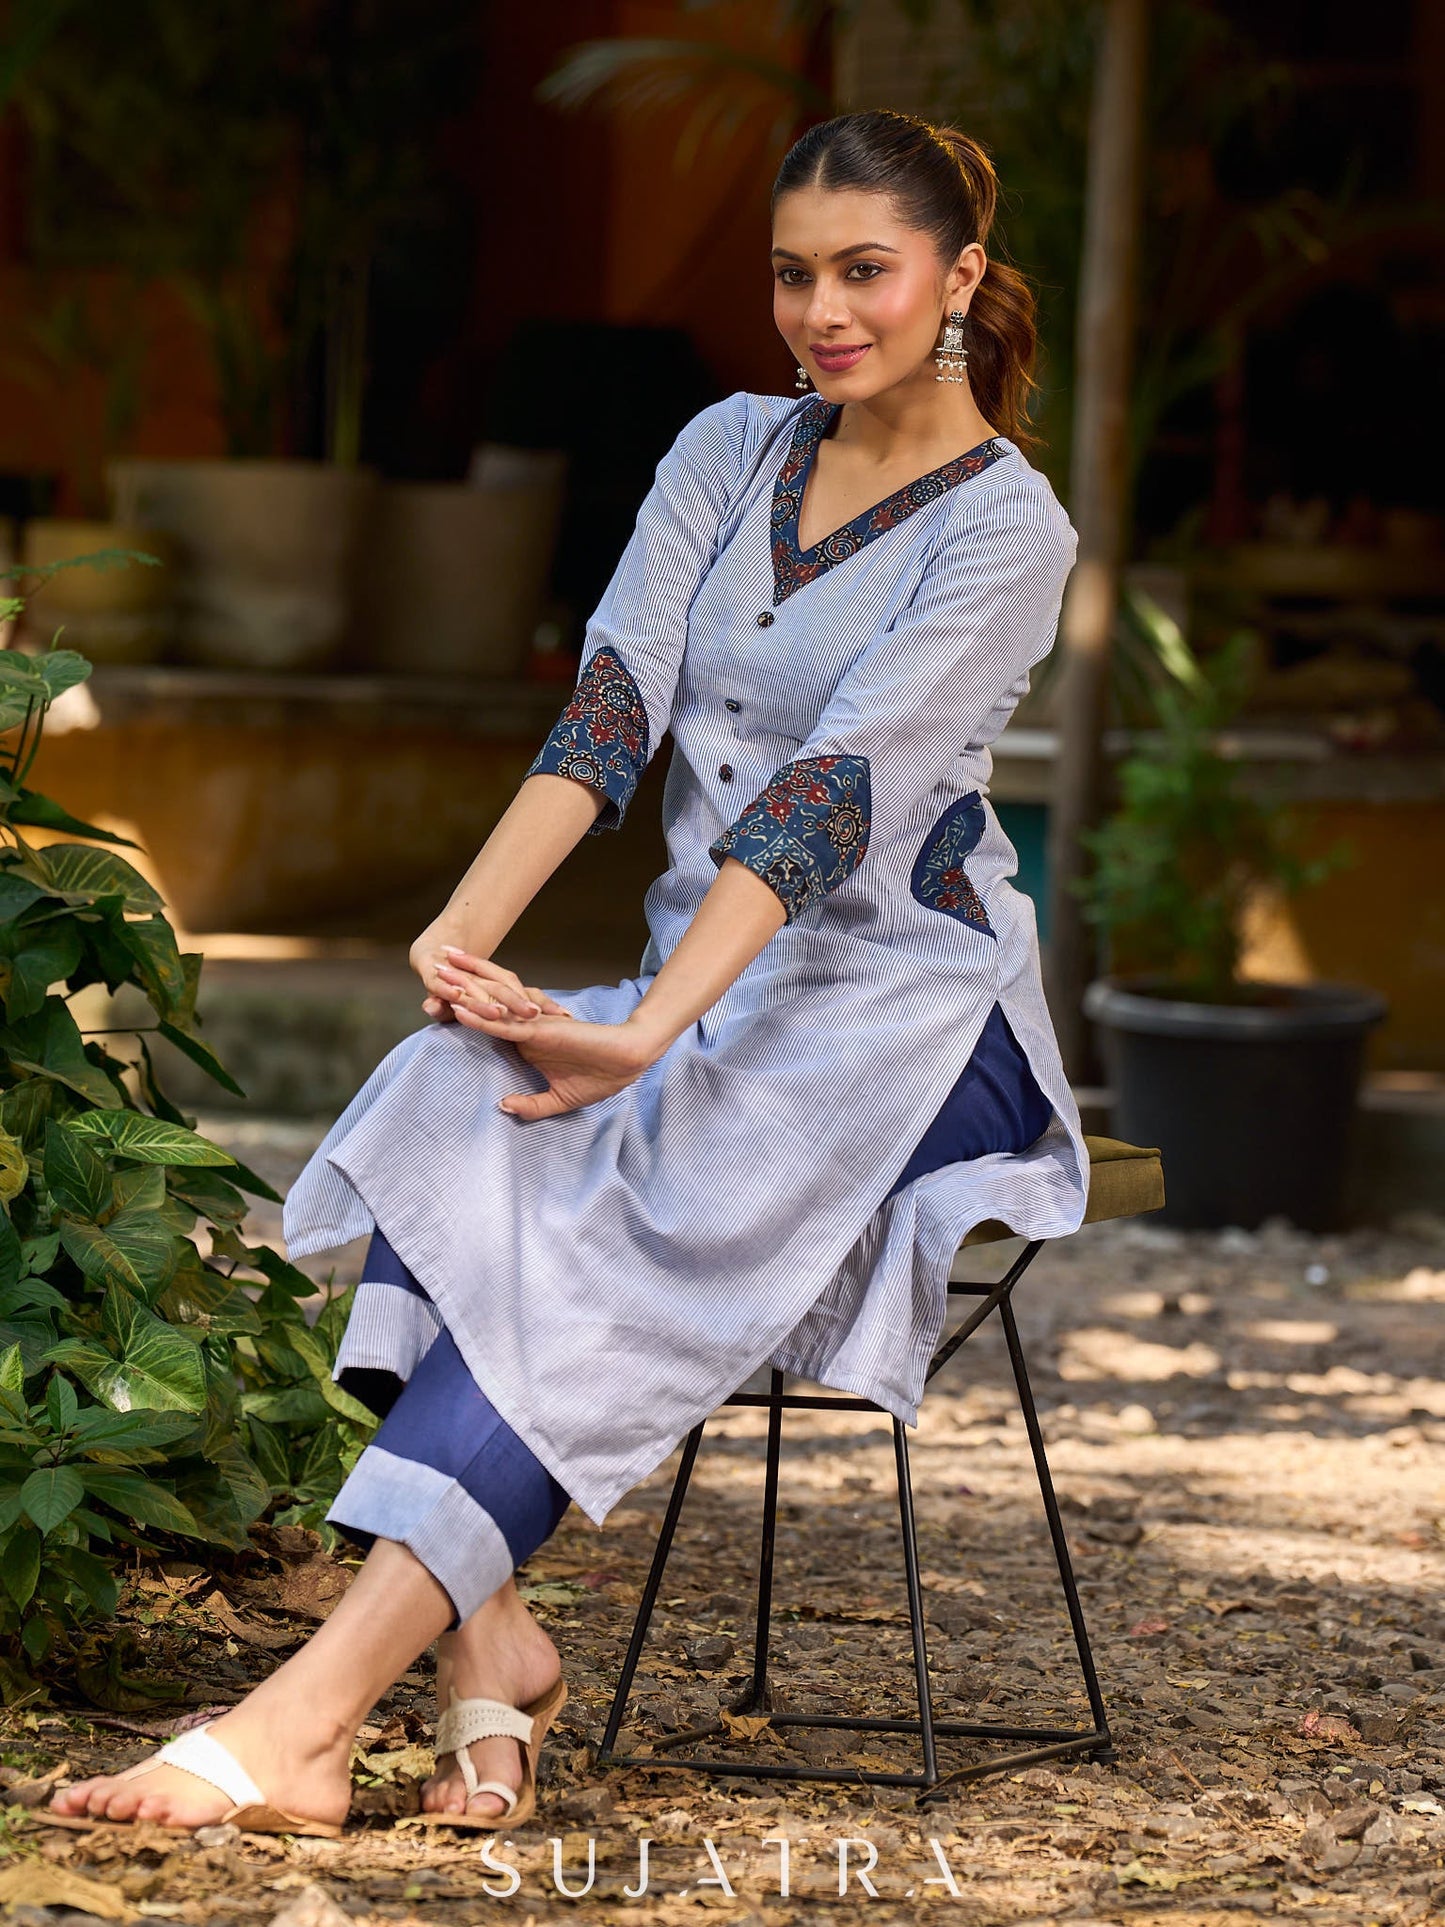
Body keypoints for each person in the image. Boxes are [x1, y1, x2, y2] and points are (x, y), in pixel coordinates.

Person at [52, 106, 1088, 1835]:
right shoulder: (727, 448)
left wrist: (648, 1038)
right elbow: (610, 710)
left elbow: (832, 798)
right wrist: (460, 935)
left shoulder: (1007, 529)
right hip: (713, 992)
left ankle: (304, 1719)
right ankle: (492, 1652)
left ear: (960, 277)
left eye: (865, 271)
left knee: (626, 1203)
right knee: (451, 1086)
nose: (823, 312)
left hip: (911, 1023)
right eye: (792, 275)